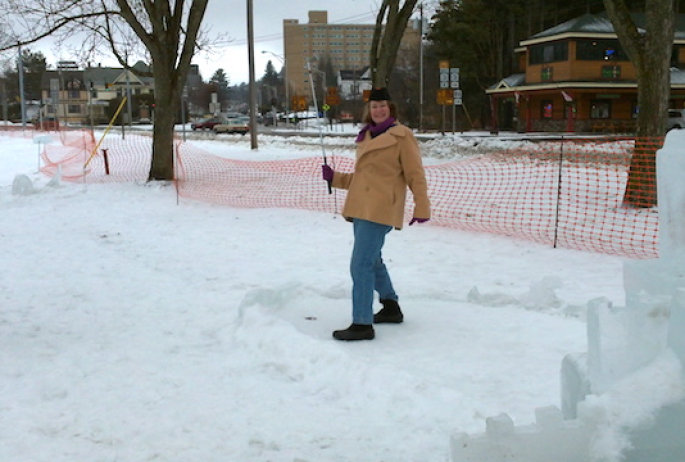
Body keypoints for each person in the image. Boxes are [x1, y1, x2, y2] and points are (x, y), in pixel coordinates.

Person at [322, 87, 431, 341]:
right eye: (374, 106)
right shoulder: (366, 136)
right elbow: (364, 179)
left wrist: (422, 205)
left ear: (390, 108)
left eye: (383, 105)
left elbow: (416, 174)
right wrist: (335, 178)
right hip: (360, 207)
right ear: (368, 111)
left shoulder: (402, 136)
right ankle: (390, 307)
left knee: (360, 265)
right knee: (372, 260)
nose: (378, 110)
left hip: (381, 209)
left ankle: (362, 323)